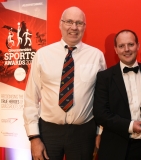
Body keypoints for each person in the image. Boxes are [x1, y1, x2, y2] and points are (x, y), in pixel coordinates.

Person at [23, 6, 106, 160]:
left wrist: (99, 133)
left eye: (79, 23)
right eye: (69, 22)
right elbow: (30, 99)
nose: (74, 27)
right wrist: (34, 137)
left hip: (83, 133)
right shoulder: (42, 55)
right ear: (60, 24)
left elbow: (103, 99)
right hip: (48, 132)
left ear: (85, 27)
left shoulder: (97, 56)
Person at [93, 29, 141, 160]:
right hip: (115, 148)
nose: (126, 49)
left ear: (138, 46)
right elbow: (100, 114)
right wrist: (130, 126)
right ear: (116, 50)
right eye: (121, 46)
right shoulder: (104, 77)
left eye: (131, 44)